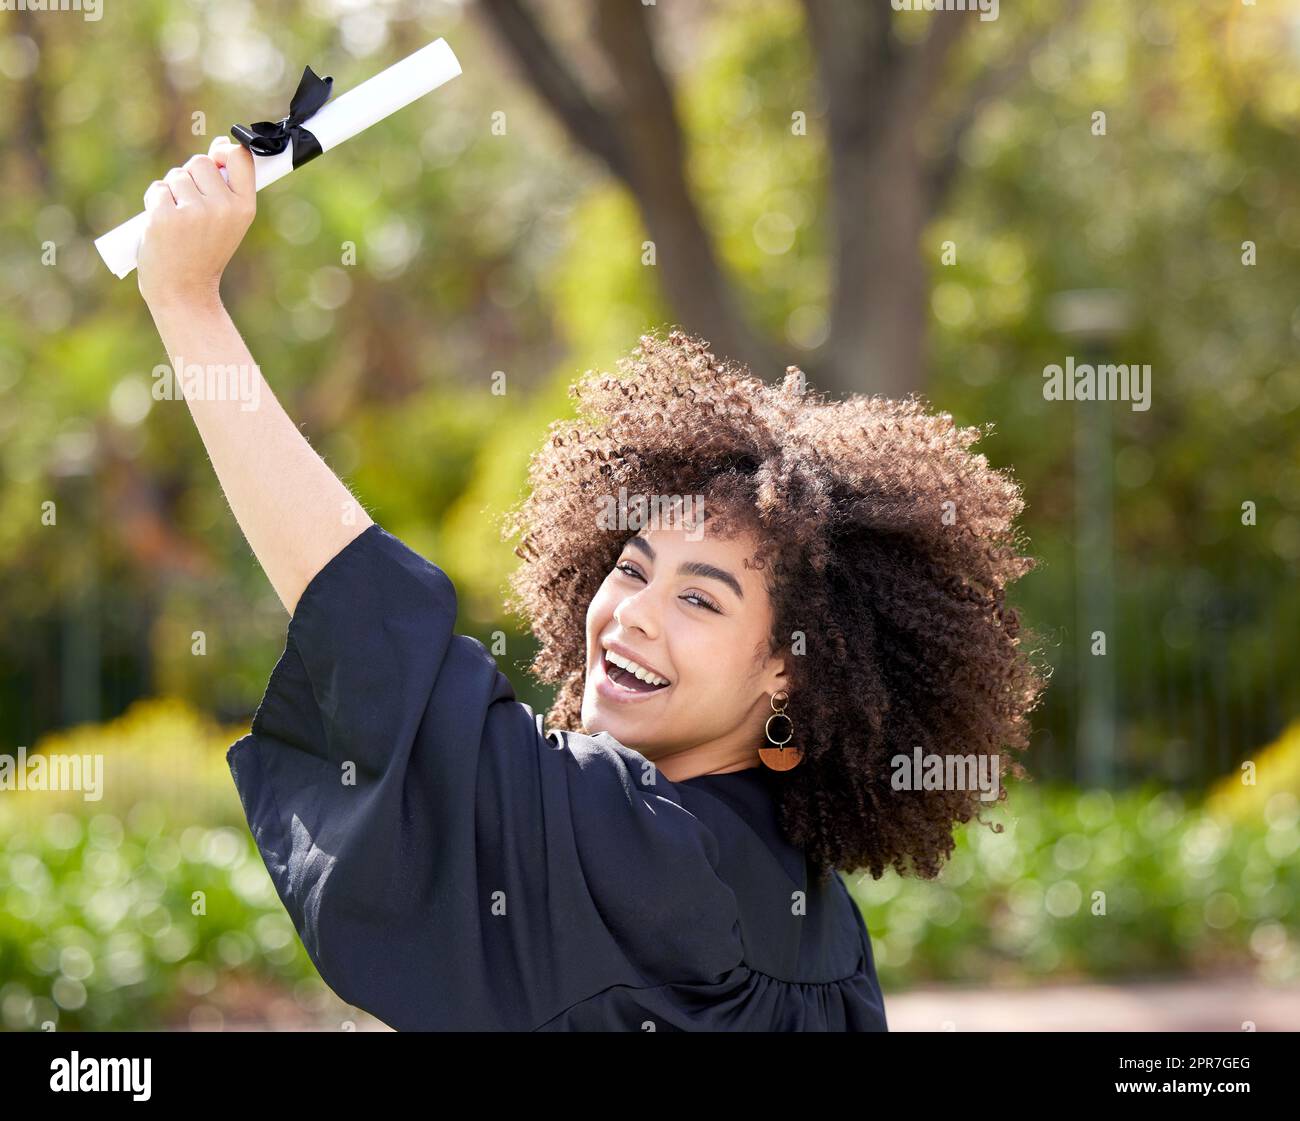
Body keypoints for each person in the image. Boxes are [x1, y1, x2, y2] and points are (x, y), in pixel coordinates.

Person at [136, 137, 1046, 1032]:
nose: (633, 616)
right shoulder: (819, 919)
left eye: (700, 598)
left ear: (791, 671)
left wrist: (188, 304)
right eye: (632, 568)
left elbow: (374, 631)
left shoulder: (646, 851)